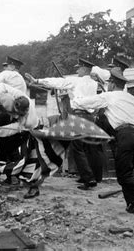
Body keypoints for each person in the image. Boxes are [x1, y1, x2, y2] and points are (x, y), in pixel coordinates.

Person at [74, 68, 134, 213]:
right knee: (127, 172)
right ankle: (133, 203)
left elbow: (84, 103)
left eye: (109, 83)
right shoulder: (131, 98)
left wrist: (75, 98)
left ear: (113, 84)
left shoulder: (108, 96)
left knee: (123, 177)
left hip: (125, 137)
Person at [25, 58, 104, 190]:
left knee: (78, 149)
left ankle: (89, 179)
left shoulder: (76, 80)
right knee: (89, 148)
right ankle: (93, 176)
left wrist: (37, 81)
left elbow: (58, 82)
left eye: (79, 68)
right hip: (90, 117)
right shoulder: (95, 83)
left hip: (78, 115)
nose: (77, 70)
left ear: (84, 69)